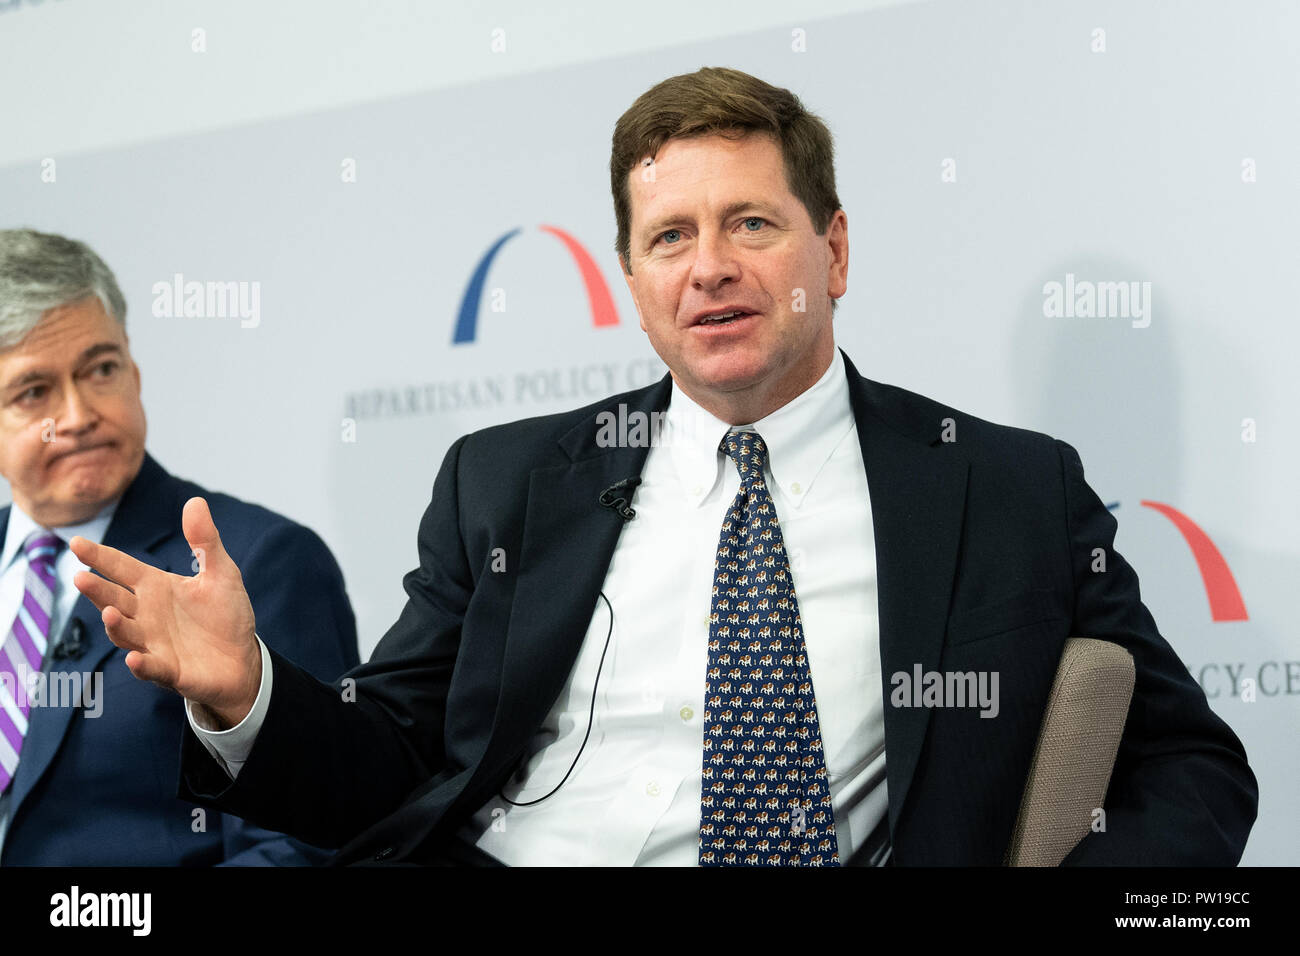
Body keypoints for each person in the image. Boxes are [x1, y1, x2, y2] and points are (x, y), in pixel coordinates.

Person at [71, 68, 1256, 866]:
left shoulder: (1002, 487)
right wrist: (249, 693)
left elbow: (1190, 765)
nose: (710, 269)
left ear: (831, 249)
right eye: (668, 239)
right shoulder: (508, 481)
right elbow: (388, 767)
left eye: (751, 223)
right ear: (632, 282)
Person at [0, 228, 360, 865]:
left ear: (134, 373)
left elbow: (302, 846)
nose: (79, 414)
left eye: (101, 369)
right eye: (35, 392)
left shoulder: (260, 562)